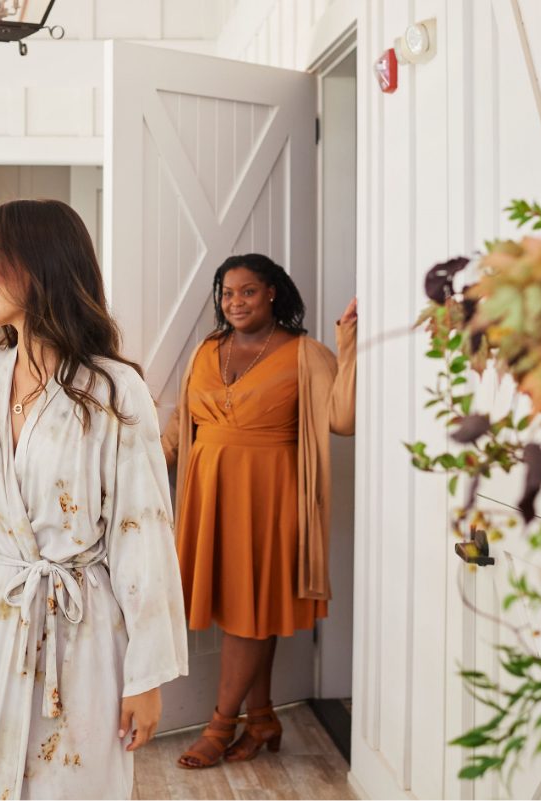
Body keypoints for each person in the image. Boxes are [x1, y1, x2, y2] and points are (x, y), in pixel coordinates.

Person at [0, 199, 188, 799]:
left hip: (76, 629)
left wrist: (145, 677)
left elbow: (142, 531)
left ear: (39, 265)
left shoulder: (111, 389)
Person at [161, 253, 357, 769]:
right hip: (209, 493)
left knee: (248, 615)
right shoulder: (208, 350)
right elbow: (184, 420)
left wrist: (350, 348)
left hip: (269, 497)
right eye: (227, 293)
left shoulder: (304, 353)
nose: (235, 302)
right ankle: (263, 716)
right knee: (245, 612)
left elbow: (342, 418)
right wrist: (147, 461)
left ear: (272, 292)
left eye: (247, 291)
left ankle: (220, 725)